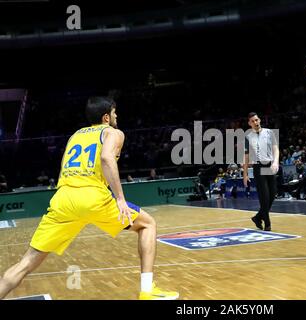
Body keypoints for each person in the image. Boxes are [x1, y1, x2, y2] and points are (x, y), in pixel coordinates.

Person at [0, 97, 179, 300]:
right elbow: (106, 158)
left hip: (63, 199)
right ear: (106, 117)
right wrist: (120, 198)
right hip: (93, 197)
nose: (116, 116)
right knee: (147, 224)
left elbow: (63, 168)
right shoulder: (113, 132)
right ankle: (147, 291)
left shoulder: (74, 136)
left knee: (26, 263)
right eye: (114, 112)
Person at [243, 112, 279, 231]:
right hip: (258, 167)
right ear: (249, 124)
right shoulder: (247, 136)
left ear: (260, 120)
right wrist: (245, 174)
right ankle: (267, 224)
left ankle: (258, 217)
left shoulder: (269, 132)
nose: (255, 122)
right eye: (252, 121)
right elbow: (246, 156)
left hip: (269, 165)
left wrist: (275, 162)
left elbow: (275, 149)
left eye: (256, 120)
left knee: (272, 195)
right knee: (264, 197)